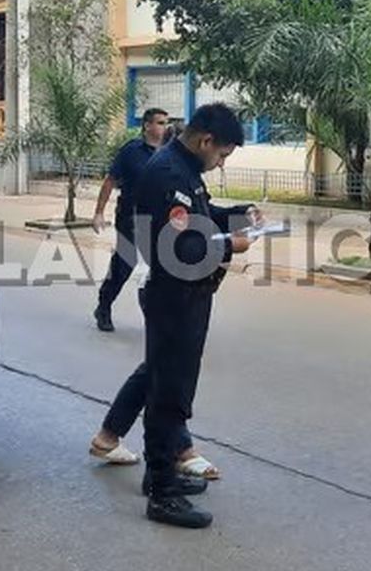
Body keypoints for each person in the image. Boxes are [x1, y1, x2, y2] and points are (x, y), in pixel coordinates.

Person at [115, 102, 258, 529]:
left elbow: (201, 216)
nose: (221, 164)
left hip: (189, 295)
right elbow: (179, 247)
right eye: (223, 156)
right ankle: (163, 493)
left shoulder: (185, 170)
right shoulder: (169, 174)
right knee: (168, 396)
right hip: (173, 296)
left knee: (171, 387)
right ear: (206, 141)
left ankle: (158, 475)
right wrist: (231, 246)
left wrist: (241, 214)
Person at [92, 108, 169, 333]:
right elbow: (110, 181)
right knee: (124, 264)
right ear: (147, 126)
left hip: (159, 219)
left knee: (161, 267)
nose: (165, 127)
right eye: (160, 123)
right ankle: (104, 306)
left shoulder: (169, 153)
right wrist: (99, 213)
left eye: (167, 123)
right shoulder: (131, 151)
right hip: (130, 216)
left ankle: (153, 316)